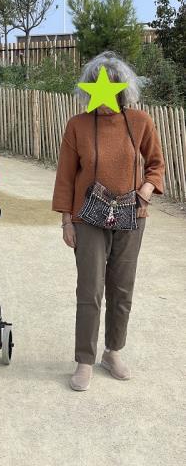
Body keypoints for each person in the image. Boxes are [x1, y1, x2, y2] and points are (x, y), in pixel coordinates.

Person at [52, 51, 165, 391]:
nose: (101, 97)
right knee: (90, 289)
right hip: (87, 217)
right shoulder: (77, 125)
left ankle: (112, 352)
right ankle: (84, 360)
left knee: (122, 288)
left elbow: (156, 164)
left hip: (132, 215)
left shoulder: (141, 121)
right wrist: (66, 221)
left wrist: (146, 191)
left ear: (121, 90)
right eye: (95, 87)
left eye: (109, 88)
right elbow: (65, 177)